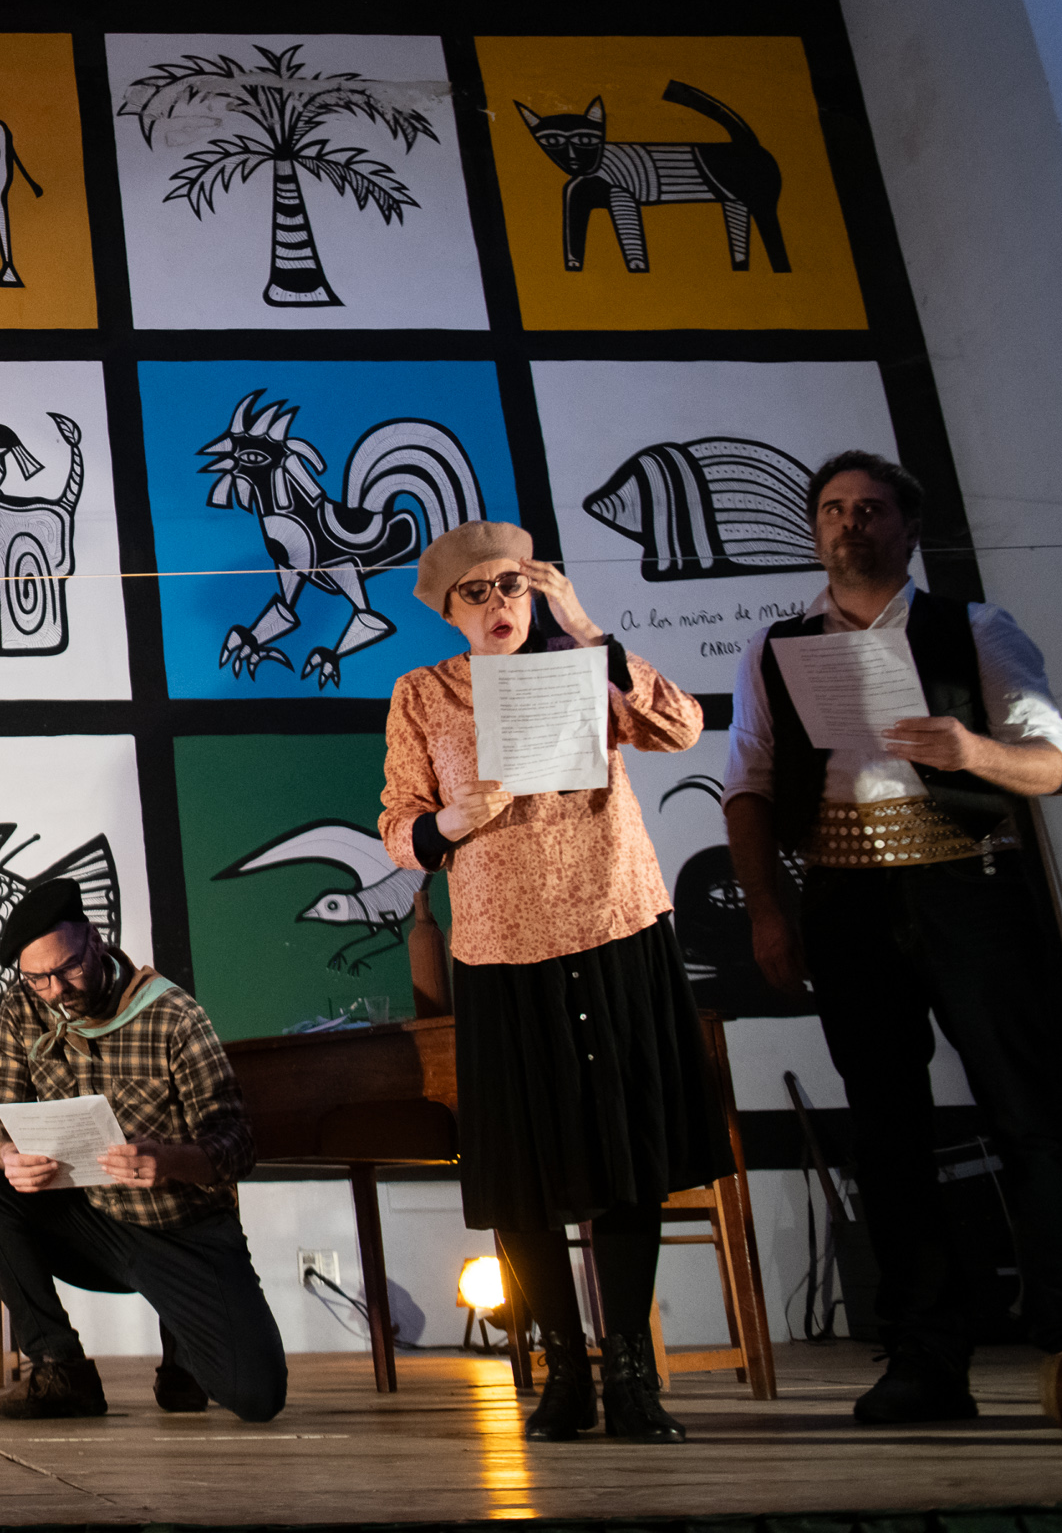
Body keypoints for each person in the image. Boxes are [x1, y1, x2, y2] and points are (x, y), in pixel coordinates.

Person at [721, 451, 1062, 1424]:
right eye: (832, 508)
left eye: (870, 508)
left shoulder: (974, 626)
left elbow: (1057, 761)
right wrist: (767, 908)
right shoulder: (775, 647)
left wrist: (973, 749)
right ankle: (925, 1354)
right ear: (813, 528)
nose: (849, 522)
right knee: (886, 1126)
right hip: (845, 898)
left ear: (908, 527)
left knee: (1028, 1108)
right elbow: (749, 785)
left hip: (969, 883)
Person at [381, 521, 717, 1445]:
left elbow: (681, 726)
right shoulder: (424, 693)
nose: (498, 604)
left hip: (612, 923)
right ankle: (564, 1370)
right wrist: (455, 819)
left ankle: (632, 1373)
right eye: (477, 592)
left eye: (512, 586)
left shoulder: (583, 664)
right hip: (501, 946)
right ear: (448, 610)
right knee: (523, 1166)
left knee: (627, 1152)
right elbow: (400, 827)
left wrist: (589, 627)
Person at [0, 878, 286, 1424]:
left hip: (181, 1233)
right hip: (91, 1225)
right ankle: (62, 1370)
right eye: (37, 978)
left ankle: (182, 1343)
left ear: (95, 940)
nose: (56, 990)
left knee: (257, 1397)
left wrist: (169, 1161)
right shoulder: (23, 1007)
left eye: (68, 969)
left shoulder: (175, 1015)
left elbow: (237, 1144)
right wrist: (8, 1154)